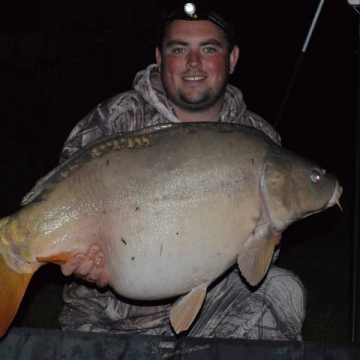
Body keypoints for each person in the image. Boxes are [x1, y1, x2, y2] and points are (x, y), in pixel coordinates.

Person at [58, 1, 306, 340]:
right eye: (179, 49)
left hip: (210, 310)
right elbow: (64, 209)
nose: (193, 63)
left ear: (231, 59)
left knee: (282, 290)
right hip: (107, 319)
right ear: (160, 60)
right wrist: (82, 263)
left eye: (208, 48)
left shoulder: (260, 140)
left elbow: (258, 261)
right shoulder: (114, 122)